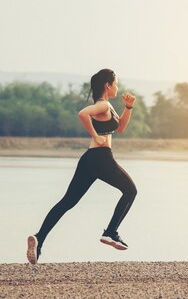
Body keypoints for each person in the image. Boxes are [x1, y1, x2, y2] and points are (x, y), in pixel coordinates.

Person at [26, 69, 137, 265]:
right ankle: (111, 232)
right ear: (107, 85)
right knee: (131, 191)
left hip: (89, 159)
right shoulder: (102, 105)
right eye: (116, 83)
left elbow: (120, 128)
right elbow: (82, 114)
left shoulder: (107, 106)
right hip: (101, 157)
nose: (118, 87)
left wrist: (128, 107)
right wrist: (95, 135)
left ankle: (39, 238)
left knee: (68, 201)